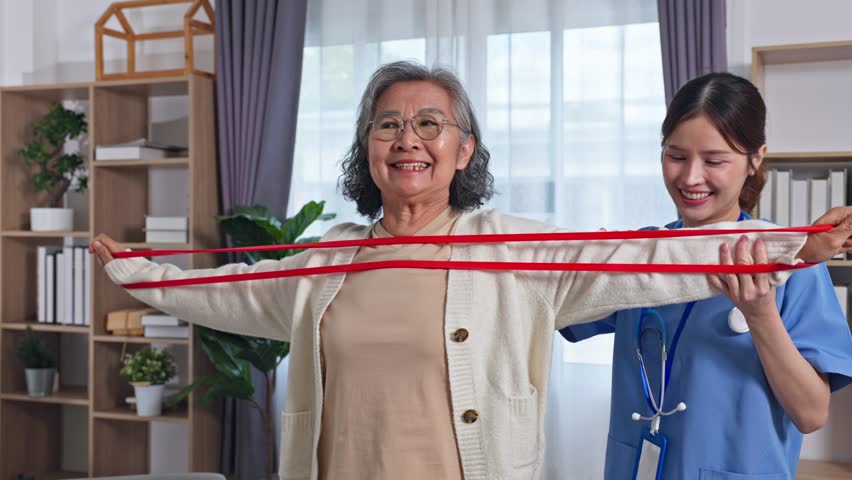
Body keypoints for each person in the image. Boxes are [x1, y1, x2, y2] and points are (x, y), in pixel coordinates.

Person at [91, 62, 852, 480]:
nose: (408, 137)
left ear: (464, 151)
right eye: (388, 123)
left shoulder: (514, 252)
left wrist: (793, 248)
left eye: (431, 124)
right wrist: (137, 274)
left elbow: (642, 262)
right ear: (367, 151)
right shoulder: (323, 260)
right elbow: (231, 290)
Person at [561, 72, 852, 479]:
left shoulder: (796, 270)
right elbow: (556, 306)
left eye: (714, 161)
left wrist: (761, 315)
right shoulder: (640, 255)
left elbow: (810, 414)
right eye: (676, 156)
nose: (690, 177)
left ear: (755, 159)